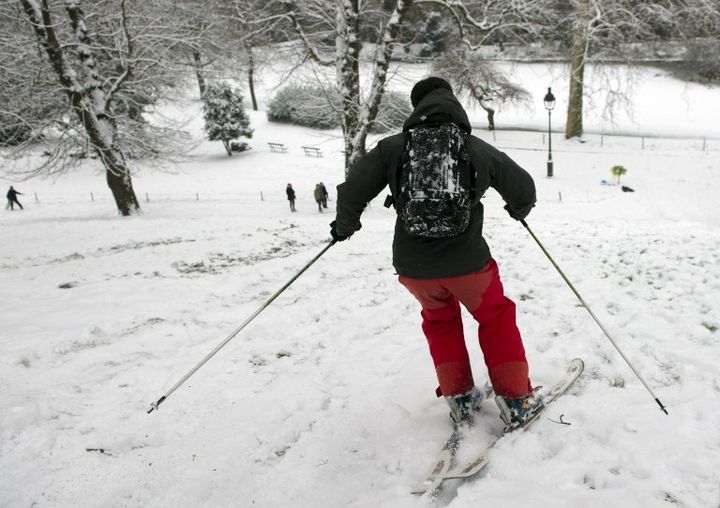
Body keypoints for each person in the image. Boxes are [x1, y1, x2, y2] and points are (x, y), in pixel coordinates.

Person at [329, 77, 540, 430]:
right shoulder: (474, 147)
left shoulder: (393, 148)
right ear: (453, 103)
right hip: (469, 265)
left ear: (417, 108)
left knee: (441, 322)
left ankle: (460, 398)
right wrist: (519, 209)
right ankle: (516, 399)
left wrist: (344, 228)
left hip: (415, 269)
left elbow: (352, 191)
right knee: (495, 317)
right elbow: (524, 188)